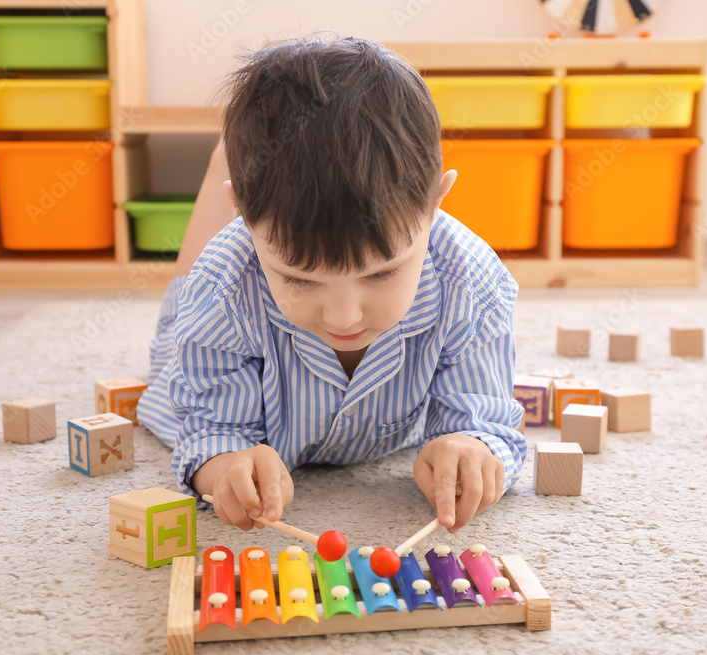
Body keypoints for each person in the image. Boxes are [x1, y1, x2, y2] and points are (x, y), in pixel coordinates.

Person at [137, 35, 526, 535]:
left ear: (435, 204)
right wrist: (226, 464)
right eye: (300, 277)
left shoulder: (471, 282)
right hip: (221, 293)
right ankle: (225, 162)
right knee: (187, 296)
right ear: (246, 218)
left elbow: (485, 423)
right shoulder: (220, 290)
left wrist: (473, 448)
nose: (344, 317)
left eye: (381, 272)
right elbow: (210, 432)